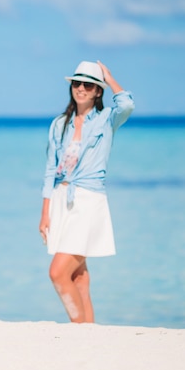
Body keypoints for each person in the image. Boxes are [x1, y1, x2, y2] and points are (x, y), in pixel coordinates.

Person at [39, 61, 134, 323]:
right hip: (62, 200)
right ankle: (89, 332)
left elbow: (126, 105)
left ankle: (78, 326)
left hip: (89, 201)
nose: (81, 88)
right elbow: (50, 170)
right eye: (77, 83)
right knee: (78, 275)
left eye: (88, 85)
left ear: (98, 91)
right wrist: (45, 213)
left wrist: (110, 77)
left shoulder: (106, 121)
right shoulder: (59, 124)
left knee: (58, 272)